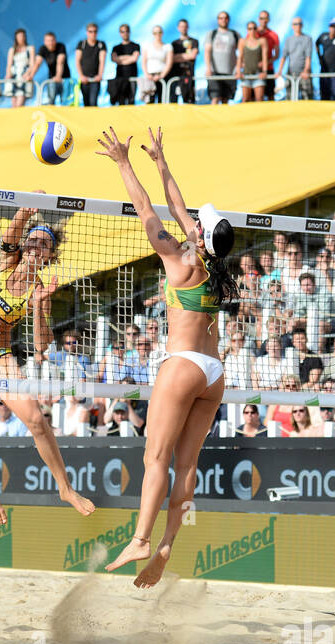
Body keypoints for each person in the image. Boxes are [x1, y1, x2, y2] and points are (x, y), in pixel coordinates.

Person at [96, 125, 237, 584]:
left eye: (197, 222)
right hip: (214, 374)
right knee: (187, 464)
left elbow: (146, 209)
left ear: (199, 234)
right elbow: (178, 207)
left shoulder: (176, 260)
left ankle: (140, 538)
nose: (192, 220)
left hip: (182, 366)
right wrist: (160, 162)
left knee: (154, 460)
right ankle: (167, 545)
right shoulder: (216, 265)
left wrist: (123, 162)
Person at [0, 195, 94, 526]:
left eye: (44, 244)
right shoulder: (2, 262)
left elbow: (41, 346)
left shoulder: (37, 289)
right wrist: (25, 211)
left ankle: (65, 489)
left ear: (50, 255)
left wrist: (40, 307)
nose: (37, 245)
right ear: (25, 244)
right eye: (33, 240)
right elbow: (10, 238)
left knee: (37, 420)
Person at [204, 11, 238, 105]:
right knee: (215, 98)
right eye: (221, 18)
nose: (223, 20)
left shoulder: (235, 34)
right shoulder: (212, 34)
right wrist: (208, 68)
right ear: (218, 20)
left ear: (228, 20)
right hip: (214, 72)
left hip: (230, 73)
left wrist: (238, 68)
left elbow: (242, 52)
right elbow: (207, 52)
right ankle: (212, 119)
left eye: (225, 18)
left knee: (225, 100)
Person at [74, 22, 106, 107]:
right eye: (90, 31)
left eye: (95, 31)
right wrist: (81, 76)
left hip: (95, 79)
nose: (93, 33)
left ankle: (94, 120)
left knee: (93, 102)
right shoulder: (81, 44)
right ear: (87, 32)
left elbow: (102, 61)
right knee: (86, 103)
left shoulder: (101, 45)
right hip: (84, 80)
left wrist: (100, 75)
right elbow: (77, 61)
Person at [316, 18, 335, 101]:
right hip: (324, 70)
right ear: (329, 27)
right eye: (332, 26)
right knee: (324, 92)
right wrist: (320, 57)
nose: (333, 28)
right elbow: (317, 44)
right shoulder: (323, 36)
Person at [107, 24, 138, 107]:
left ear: (129, 32)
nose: (125, 33)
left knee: (131, 101)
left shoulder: (135, 46)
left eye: (126, 31)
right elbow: (114, 59)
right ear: (120, 33)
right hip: (120, 78)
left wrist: (120, 60)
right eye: (122, 32)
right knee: (121, 101)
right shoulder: (116, 47)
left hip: (132, 78)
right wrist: (128, 57)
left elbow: (134, 58)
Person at [33, 31, 67, 106]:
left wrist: (58, 76)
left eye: (52, 40)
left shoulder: (61, 46)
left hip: (65, 79)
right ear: (44, 42)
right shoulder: (43, 49)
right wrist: (30, 76)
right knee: (51, 101)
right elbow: (37, 63)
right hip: (51, 79)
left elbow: (60, 62)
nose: (50, 43)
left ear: (55, 40)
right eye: (48, 41)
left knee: (65, 102)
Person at [4, 29, 36, 108]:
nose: (21, 38)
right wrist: (8, 74)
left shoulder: (30, 48)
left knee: (20, 102)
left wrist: (27, 74)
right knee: (14, 103)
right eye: (19, 36)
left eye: (22, 36)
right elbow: (9, 64)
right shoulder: (12, 50)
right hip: (14, 76)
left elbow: (32, 64)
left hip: (24, 76)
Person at [169, 19, 198, 104]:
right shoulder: (174, 43)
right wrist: (187, 56)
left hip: (189, 75)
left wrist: (178, 56)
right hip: (176, 76)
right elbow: (172, 58)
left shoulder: (194, 41)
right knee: (173, 101)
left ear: (188, 27)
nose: (183, 28)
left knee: (189, 100)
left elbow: (193, 55)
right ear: (178, 28)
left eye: (185, 26)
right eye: (181, 26)